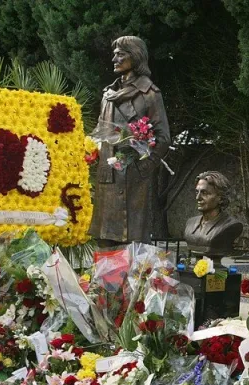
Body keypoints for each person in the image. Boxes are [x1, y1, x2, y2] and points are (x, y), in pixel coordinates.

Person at [89, 35, 171, 248]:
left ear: (135, 57)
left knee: (131, 242)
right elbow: (102, 132)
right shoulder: (108, 94)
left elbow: (163, 139)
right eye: (114, 55)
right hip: (107, 176)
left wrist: (142, 167)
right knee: (104, 240)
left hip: (134, 178)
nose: (114, 59)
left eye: (121, 54)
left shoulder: (150, 94)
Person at [184, 171, 243, 258]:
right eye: (197, 192)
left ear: (220, 198)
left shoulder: (231, 225)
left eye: (204, 193)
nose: (198, 198)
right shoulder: (190, 223)